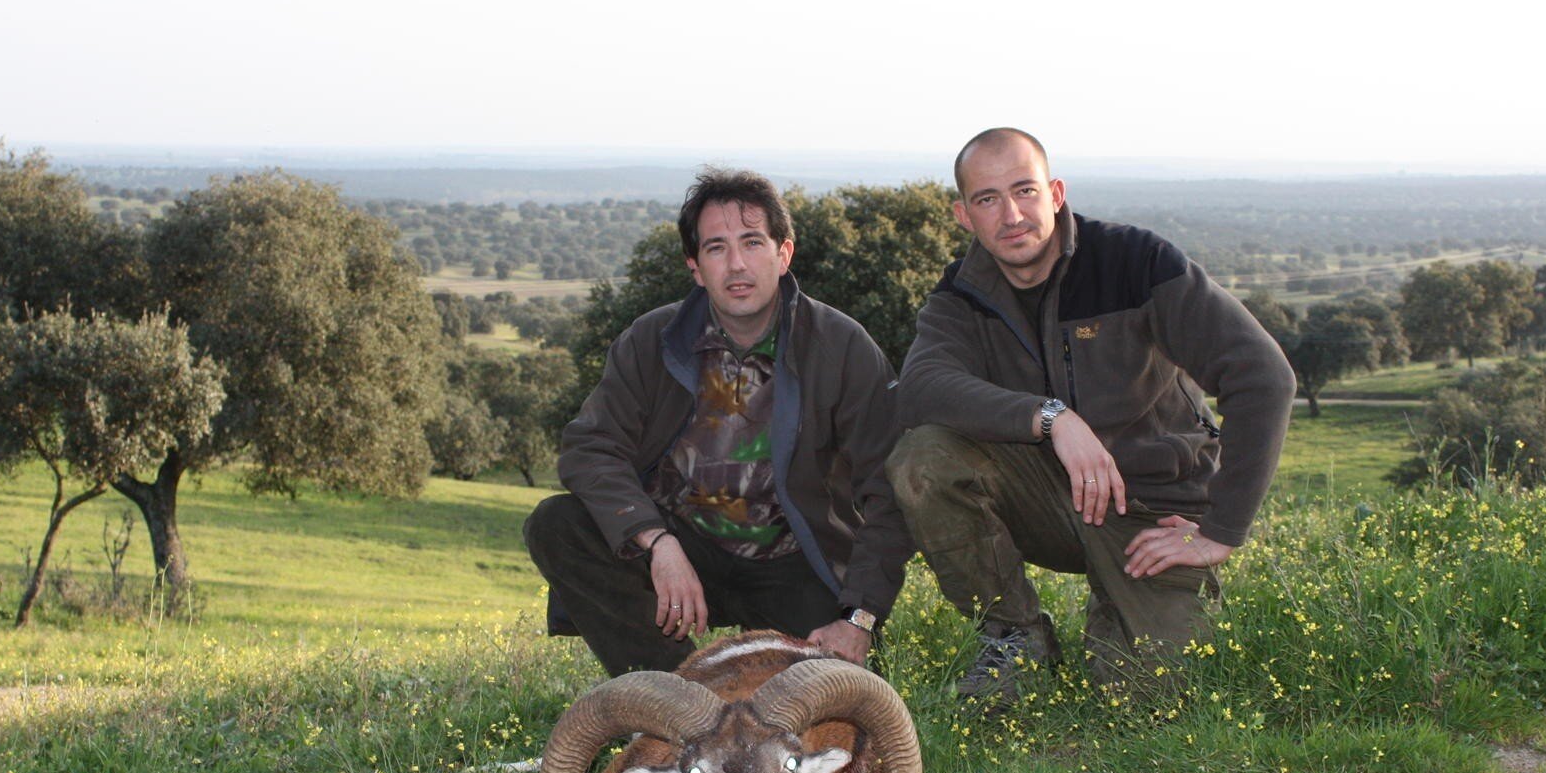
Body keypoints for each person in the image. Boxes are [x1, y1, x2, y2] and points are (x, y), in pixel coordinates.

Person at [890, 128, 1295, 708]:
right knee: (923, 458)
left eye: (1025, 191)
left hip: (1151, 512)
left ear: (1055, 193)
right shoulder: (963, 292)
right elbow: (921, 390)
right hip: (1048, 499)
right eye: (987, 199)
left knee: (1146, 701)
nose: (1011, 214)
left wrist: (1220, 532)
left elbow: (1264, 377)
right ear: (963, 215)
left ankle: (1119, 604)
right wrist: (1052, 418)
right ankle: (1016, 637)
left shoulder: (1135, 262)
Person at [525, 166, 909, 676]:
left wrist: (858, 618)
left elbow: (889, 487)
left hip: (793, 560)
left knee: (839, 707)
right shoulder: (652, 340)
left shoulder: (840, 346)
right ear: (695, 267)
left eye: (752, 243)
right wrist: (657, 542)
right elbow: (590, 447)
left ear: (784, 253)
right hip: (684, 549)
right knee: (557, 524)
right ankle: (677, 696)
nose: (736, 265)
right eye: (716, 248)